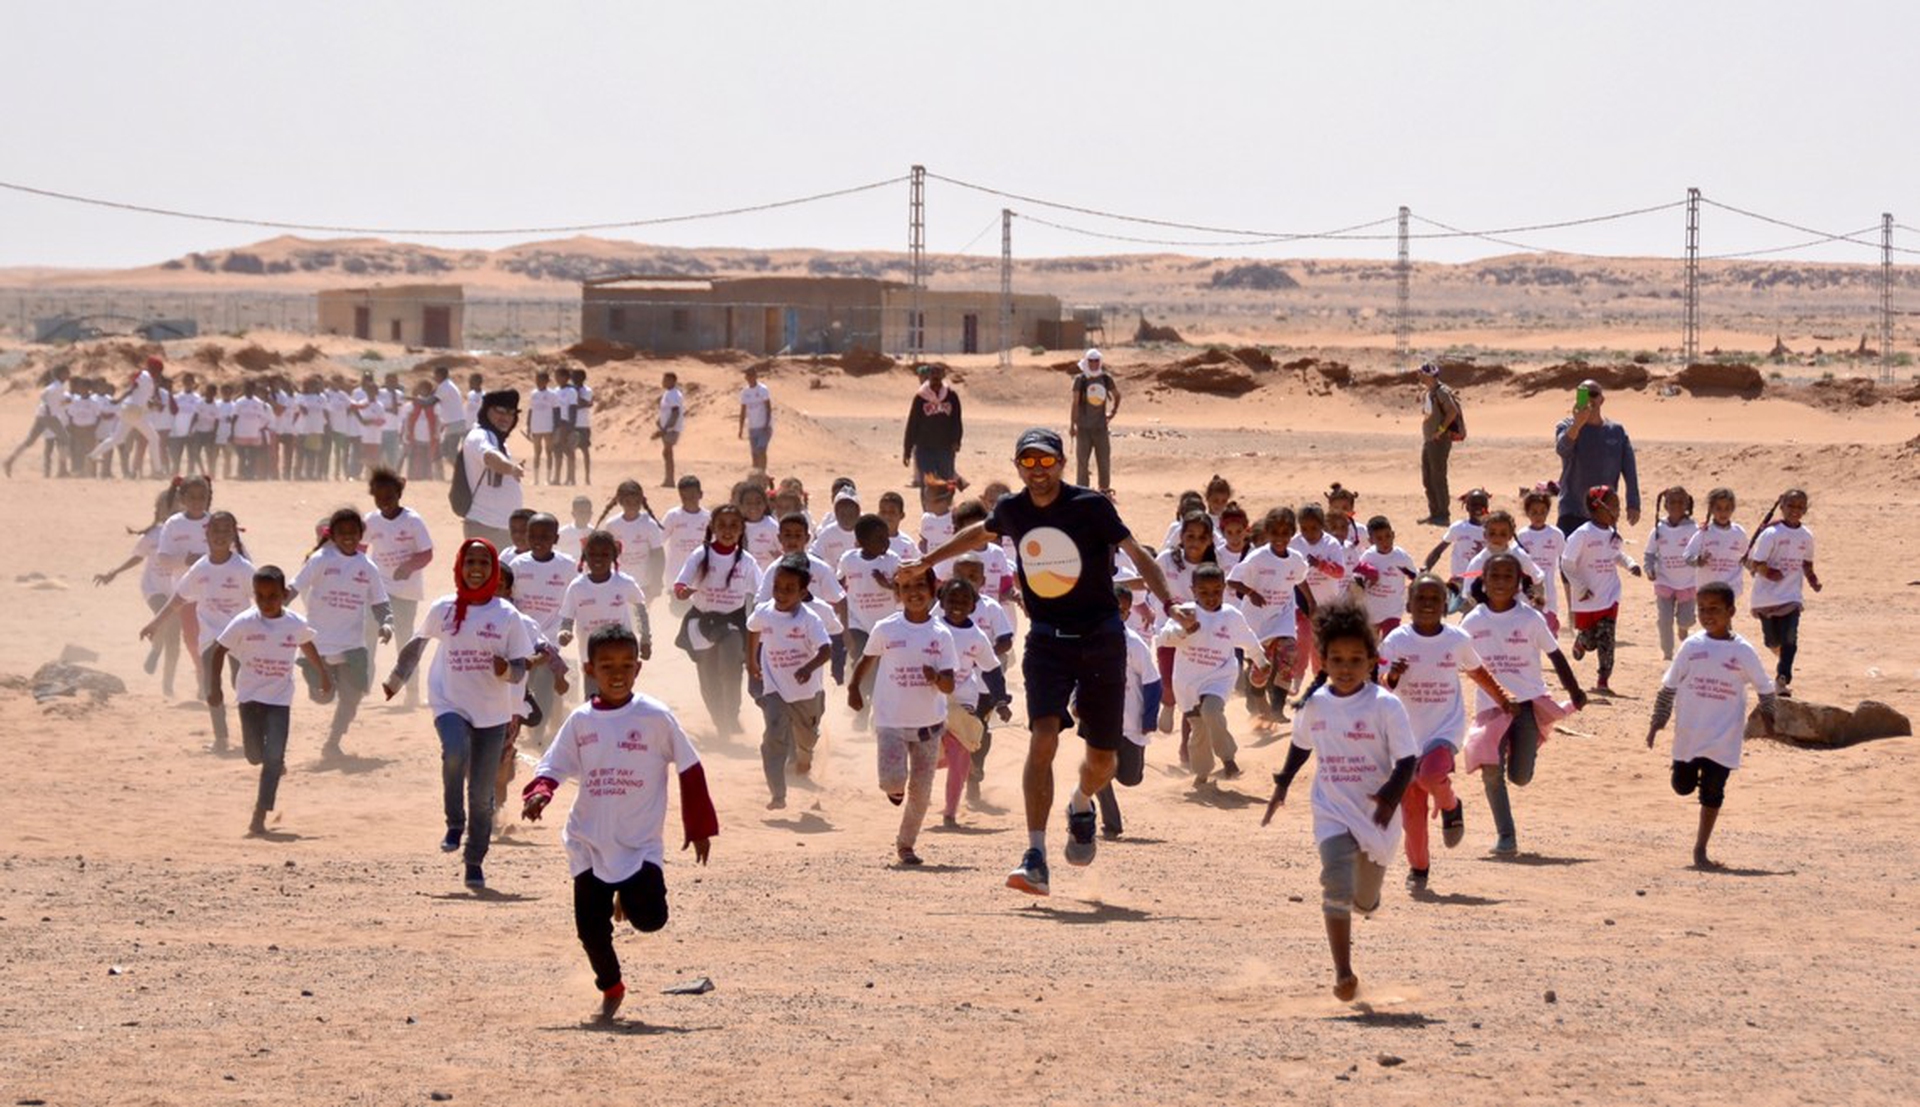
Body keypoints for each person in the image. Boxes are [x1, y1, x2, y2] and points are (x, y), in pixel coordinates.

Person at [904, 427, 1173, 897]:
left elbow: (1138, 555)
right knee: (1043, 736)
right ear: (1018, 468)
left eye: (1046, 462)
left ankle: (1081, 802)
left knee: (1102, 760)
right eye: (1028, 463)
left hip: (1101, 637)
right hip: (1047, 639)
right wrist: (926, 562)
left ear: (1062, 464)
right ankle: (1035, 855)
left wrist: (1171, 603)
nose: (1038, 472)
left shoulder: (1091, 507)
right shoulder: (1013, 508)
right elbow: (978, 533)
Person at [521, 624, 718, 1022]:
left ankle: (627, 895)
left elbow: (690, 766)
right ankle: (611, 988)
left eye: (626, 665)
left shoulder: (655, 717)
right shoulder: (581, 720)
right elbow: (554, 764)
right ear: (590, 669)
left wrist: (698, 826)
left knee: (652, 920)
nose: (617, 673)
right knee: (590, 930)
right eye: (607, 665)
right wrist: (541, 791)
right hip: (589, 841)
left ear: (638, 669)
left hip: (639, 842)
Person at [1263, 603, 1419, 1002]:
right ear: (1323, 660)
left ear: (1371, 661)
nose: (1346, 668)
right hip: (1331, 810)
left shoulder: (1385, 705)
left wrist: (1388, 797)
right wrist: (1282, 784)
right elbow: (1300, 747)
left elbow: (1407, 761)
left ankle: (1368, 899)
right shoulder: (1314, 704)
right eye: (1336, 659)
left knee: (1363, 900)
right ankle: (1343, 973)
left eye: (1355, 660)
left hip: (1376, 816)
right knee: (1335, 879)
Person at [383, 539, 535, 890]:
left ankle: (474, 860)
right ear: (460, 566)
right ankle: (454, 822)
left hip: (492, 713)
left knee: (483, 796)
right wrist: (395, 680)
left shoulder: (507, 615)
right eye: (470, 561)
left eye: (484, 561)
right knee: (453, 750)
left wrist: (504, 672)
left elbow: (520, 668)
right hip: (449, 701)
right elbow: (418, 644)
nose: (476, 567)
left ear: (494, 569)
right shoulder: (444, 608)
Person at [1380, 575, 1516, 891]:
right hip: (1405, 735)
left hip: (1445, 727)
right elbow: (1380, 684)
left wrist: (1503, 697)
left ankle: (1451, 805)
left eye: (1434, 598)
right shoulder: (1395, 640)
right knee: (1412, 810)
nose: (1427, 604)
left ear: (1445, 604)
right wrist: (1394, 675)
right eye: (1420, 598)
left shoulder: (1457, 639)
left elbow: (1477, 672)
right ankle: (1419, 869)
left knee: (1431, 774)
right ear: (1408, 604)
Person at [1460, 554, 1587, 856]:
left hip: (1527, 705)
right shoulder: (1473, 620)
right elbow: (1456, 656)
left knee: (1520, 776)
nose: (1501, 582)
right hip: (1491, 706)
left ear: (1519, 583)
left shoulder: (1531, 618)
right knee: (1491, 768)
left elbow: (1555, 656)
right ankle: (1507, 836)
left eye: (1508, 577)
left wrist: (1575, 690)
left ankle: (1522, 753)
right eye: (1495, 576)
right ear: (1484, 582)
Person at [1645, 581, 1778, 869]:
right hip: (1690, 735)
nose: (1707, 615)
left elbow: (1765, 688)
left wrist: (1770, 720)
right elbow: (1669, 686)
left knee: (1713, 792)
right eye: (1702, 609)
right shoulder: (1692, 646)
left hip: (1724, 737)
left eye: (1714, 609)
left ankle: (1700, 850)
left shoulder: (1743, 651)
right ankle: (1683, 770)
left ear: (1731, 611)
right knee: (1682, 786)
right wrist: (1658, 721)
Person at [208, 565, 331, 836]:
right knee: (254, 756)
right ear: (253, 595)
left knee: (272, 758)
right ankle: (274, 763)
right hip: (250, 697)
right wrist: (215, 687)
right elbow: (218, 652)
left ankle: (259, 814)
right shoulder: (244, 621)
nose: (266, 602)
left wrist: (322, 672)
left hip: (279, 699)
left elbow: (307, 644)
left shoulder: (294, 623)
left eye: (272, 596)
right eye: (260, 596)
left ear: (284, 594)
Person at [848, 568, 956, 867]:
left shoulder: (941, 634)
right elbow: (866, 659)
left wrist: (936, 677)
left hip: (929, 727)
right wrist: (854, 687)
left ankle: (906, 845)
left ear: (933, 589)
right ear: (897, 593)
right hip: (890, 722)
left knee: (921, 793)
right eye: (906, 586)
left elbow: (949, 684)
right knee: (892, 780)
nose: (914, 592)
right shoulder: (886, 628)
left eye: (921, 585)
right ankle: (894, 788)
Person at [143, 510, 253, 755]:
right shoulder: (200, 568)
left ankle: (252, 735)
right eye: (216, 530)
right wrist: (155, 623)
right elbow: (178, 599)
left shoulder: (243, 568)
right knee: (212, 688)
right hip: (210, 637)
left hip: (238, 635)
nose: (220, 536)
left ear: (234, 535)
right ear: (207, 533)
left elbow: (266, 599)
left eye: (226, 531)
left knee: (241, 684)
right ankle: (221, 739)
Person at [290, 508, 393, 759]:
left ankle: (333, 742)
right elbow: (294, 586)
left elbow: (380, 601)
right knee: (322, 697)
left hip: (352, 645)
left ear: (361, 535)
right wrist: (273, 609)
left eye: (353, 533)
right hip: (319, 644)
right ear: (333, 536)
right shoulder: (321, 559)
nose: (348, 537)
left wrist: (386, 622)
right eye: (342, 533)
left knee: (353, 695)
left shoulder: (366, 566)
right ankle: (320, 680)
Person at [1158, 563, 1268, 788]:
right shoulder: (1186, 612)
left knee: (1211, 711)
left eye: (1216, 591)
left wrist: (1261, 661)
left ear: (1224, 588)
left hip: (1219, 676)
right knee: (1198, 728)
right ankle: (1202, 772)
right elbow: (1163, 638)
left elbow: (1248, 639)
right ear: (1193, 590)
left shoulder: (1231, 616)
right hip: (1187, 683)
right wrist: (1183, 630)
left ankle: (1228, 759)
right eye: (1204, 592)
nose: (1211, 597)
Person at [746, 553, 834, 810]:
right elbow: (753, 629)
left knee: (806, 737)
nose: (781, 594)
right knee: (774, 735)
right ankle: (777, 793)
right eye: (777, 587)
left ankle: (805, 756)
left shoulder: (809, 619)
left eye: (789, 589)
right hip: (775, 689)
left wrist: (808, 667)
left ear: (803, 592)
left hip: (807, 693)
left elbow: (826, 649)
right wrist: (752, 660)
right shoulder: (764, 612)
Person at [672, 505, 761, 738]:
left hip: (733, 622)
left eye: (734, 525)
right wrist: (682, 592)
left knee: (732, 668)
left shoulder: (747, 561)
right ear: (712, 527)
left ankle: (731, 715)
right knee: (708, 675)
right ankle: (720, 722)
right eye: (722, 525)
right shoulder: (701, 554)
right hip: (703, 622)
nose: (728, 530)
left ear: (742, 529)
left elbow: (761, 594)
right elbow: (680, 583)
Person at [932, 576, 1006, 829]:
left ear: (973, 607)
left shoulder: (977, 636)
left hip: (963, 700)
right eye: (952, 599)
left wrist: (1001, 700)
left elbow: (992, 669)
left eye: (964, 601)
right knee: (928, 754)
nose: (957, 604)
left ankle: (950, 812)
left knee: (959, 754)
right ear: (940, 601)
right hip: (929, 699)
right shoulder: (930, 628)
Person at [1228, 507, 1311, 729]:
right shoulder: (1257, 557)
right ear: (1268, 532)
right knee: (1261, 669)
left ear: (1292, 533)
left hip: (1282, 618)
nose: (1280, 538)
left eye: (1286, 533)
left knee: (1289, 653)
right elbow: (1232, 581)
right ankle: (1255, 694)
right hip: (1256, 621)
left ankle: (1277, 707)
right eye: (1275, 533)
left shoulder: (1296, 559)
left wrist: (1311, 603)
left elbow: (1299, 579)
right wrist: (1251, 593)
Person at [1093, 585, 1160, 839]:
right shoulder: (1090, 640)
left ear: (1127, 612)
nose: (1116, 614)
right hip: (1101, 719)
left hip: (1132, 723)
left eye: (1122, 610)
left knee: (1131, 778)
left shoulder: (1134, 644)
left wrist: (1149, 717)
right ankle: (1111, 823)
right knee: (1099, 769)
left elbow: (1152, 681)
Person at [364, 468, 435, 709]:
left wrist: (409, 566)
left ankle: (412, 692)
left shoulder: (413, 521)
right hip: (378, 591)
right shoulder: (371, 521)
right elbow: (360, 550)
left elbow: (427, 553)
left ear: (399, 493)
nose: (385, 503)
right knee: (368, 637)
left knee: (405, 641)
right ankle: (362, 689)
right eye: (379, 498)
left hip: (406, 592)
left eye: (390, 497)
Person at [1561, 487, 1642, 694]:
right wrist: (1579, 586)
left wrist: (1631, 564)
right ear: (1597, 507)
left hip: (1610, 596)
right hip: (1587, 598)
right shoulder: (1582, 534)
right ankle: (1582, 641)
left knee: (1607, 638)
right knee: (1590, 640)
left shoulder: (1613, 534)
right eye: (1614, 506)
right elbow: (1567, 563)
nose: (1618, 510)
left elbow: (1616, 555)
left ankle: (1603, 679)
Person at [559, 530, 650, 700]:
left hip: (621, 655)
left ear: (614, 556)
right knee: (593, 699)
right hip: (591, 657)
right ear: (584, 556)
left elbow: (640, 609)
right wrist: (565, 632)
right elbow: (567, 617)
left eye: (604, 554)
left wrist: (645, 639)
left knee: (619, 695)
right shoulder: (577, 587)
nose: (598, 558)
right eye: (592, 554)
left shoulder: (624, 583)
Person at [1746, 488, 1819, 696]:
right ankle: (1780, 655)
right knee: (1771, 640)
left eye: (1799, 507)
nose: (1795, 510)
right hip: (1766, 598)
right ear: (1782, 507)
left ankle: (1782, 678)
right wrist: (1769, 572)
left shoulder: (1806, 536)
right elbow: (1755, 562)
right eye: (1791, 506)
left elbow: (1807, 563)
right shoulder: (1771, 534)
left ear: (1805, 509)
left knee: (1790, 638)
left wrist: (1813, 580)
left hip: (1791, 596)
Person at [1554, 379, 1641, 534]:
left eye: (1593, 394)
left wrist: (1633, 503)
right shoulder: (1566, 426)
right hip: (1572, 510)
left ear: (1602, 400)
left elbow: (1629, 469)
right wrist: (1577, 424)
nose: (1589, 399)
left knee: (1603, 558)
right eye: (1583, 395)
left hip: (1605, 511)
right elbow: (1562, 450)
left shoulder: (1616, 431)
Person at [456, 390, 525, 547]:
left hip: (502, 528)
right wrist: (511, 468)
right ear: (487, 410)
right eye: (499, 411)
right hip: (485, 527)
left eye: (510, 413)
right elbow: (490, 457)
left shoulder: (498, 440)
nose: (505, 418)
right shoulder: (480, 436)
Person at [1645, 486, 1699, 661]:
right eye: (1672, 502)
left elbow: (1699, 550)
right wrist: (1649, 568)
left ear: (1687, 504)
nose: (1676, 505)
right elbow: (1650, 553)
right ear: (1665, 505)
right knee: (1664, 619)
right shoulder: (1659, 528)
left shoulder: (1694, 529)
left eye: (1680, 502)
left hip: (1688, 583)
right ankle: (1667, 651)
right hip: (1664, 581)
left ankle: (1683, 629)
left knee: (1686, 619)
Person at [89, 356, 166, 477]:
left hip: (130, 411)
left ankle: (92, 456)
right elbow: (131, 389)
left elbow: (143, 398)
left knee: (117, 438)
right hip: (133, 410)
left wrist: (156, 405)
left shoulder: (150, 381)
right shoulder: (144, 376)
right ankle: (158, 470)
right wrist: (119, 399)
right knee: (154, 438)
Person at [1516, 483, 1567, 635]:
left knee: (1549, 625)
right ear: (1527, 513)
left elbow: (1566, 559)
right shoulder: (1522, 535)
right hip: (1527, 589)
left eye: (1542, 512)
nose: (1539, 516)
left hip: (1549, 587)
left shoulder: (1556, 534)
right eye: (1534, 512)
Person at [902, 363, 964, 487]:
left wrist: (957, 440)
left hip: (945, 449)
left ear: (943, 376)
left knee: (946, 484)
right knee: (927, 485)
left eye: (938, 375)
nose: (935, 379)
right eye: (933, 375)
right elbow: (912, 424)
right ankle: (927, 507)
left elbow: (956, 421)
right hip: (925, 449)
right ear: (928, 376)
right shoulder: (921, 397)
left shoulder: (951, 396)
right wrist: (907, 450)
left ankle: (947, 505)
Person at [4, 364, 71, 479]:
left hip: (41, 415)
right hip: (49, 416)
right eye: (67, 373)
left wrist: (59, 404)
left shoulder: (55, 386)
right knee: (64, 438)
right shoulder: (58, 386)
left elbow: (51, 399)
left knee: (29, 440)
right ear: (61, 374)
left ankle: (10, 460)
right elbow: (46, 396)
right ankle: (62, 470)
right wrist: (51, 408)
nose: (68, 375)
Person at [1067, 349, 1120, 491]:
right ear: (1086, 361)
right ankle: (1082, 491)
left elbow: (1117, 395)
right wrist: (1072, 425)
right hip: (1083, 428)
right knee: (1082, 463)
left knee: (1104, 461)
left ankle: (1104, 490)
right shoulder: (1081, 380)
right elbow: (1075, 403)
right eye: (1091, 361)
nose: (1094, 364)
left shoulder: (1105, 379)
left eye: (1097, 361)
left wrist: (1113, 412)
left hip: (1101, 428)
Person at [1417, 362, 1462, 526]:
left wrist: (1441, 430)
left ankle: (1443, 514)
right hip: (1429, 440)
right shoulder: (1430, 392)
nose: (1419, 376)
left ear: (1429, 375)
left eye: (1421, 374)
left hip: (1439, 441)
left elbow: (1452, 411)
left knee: (1438, 477)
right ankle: (1434, 512)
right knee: (1428, 478)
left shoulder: (1441, 392)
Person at [431, 366, 467, 480]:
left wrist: (415, 400)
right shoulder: (447, 385)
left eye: (435, 375)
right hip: (454, 423)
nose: (434, 377)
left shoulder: (444, 386)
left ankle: (463, 475)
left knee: (450, 451)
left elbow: (431, 402)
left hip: (454, 423)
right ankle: (461, 474)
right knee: (447, 451)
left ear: (440, 375)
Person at [652, 372, 685, 488]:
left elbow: (675, 413)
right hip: (667, 427)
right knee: (666, 452)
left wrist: (665, 429)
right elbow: (666, 411)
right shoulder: (668, 393)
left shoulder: (674, 394)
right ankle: (668, 478)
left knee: (668, 452)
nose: (663, 382)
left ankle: (670, 480)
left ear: (672, 381)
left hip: (671, 428)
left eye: (665, 380)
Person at [738, 365, 773, 472]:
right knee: (754, 454)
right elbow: (743, 411)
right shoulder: (745, 392)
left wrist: (767, 424)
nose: (749, 378)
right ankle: (755, 475)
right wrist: (740, 428)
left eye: (751, 375)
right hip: (752, 427)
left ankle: (762, 472)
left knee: (761, 450)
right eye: (747, 376)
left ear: (755, 376)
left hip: (763, 426)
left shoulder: (762, 390)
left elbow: (768, 407)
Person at [526, 370, 556, 484]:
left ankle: (548, 479)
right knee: (537, 452)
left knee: (549, 452)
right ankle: (536, 479)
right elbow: (531, 410)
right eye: (536, 380)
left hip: (548, 426)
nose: (538, 382)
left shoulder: (552, 394)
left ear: (546, 381)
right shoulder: (533, 393)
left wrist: (556, 426)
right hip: (536, 426)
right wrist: (528, 426)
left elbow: (555, 410)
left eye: (540, 380)